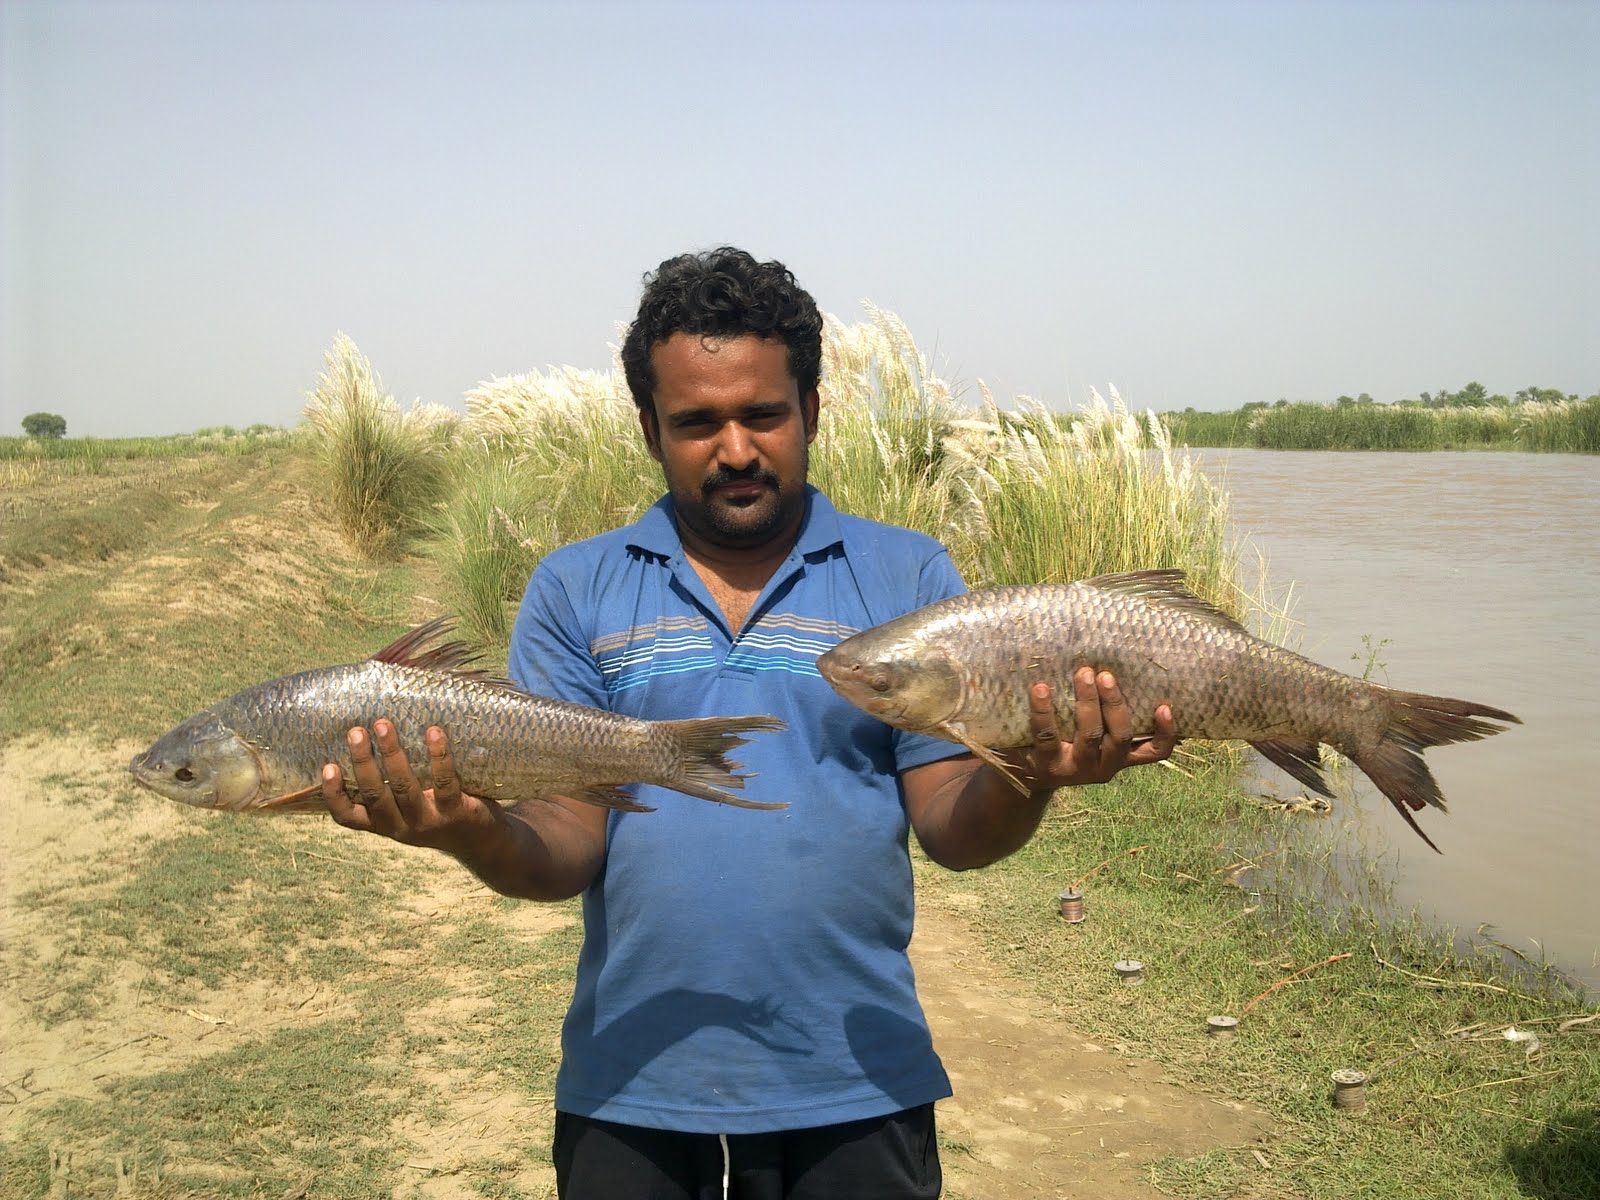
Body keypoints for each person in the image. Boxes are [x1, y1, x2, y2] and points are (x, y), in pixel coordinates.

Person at [321, 247, 1178, 1199]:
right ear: (650, 431)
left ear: (812, 412)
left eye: (763, 415)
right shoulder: (575, 588)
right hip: (635, 1082)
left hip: (859, 1077)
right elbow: (564, 844)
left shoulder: (910, 582)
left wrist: (1039, 773)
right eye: (697, 423)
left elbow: (952, 830)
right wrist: (469, 828)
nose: (735, 449)